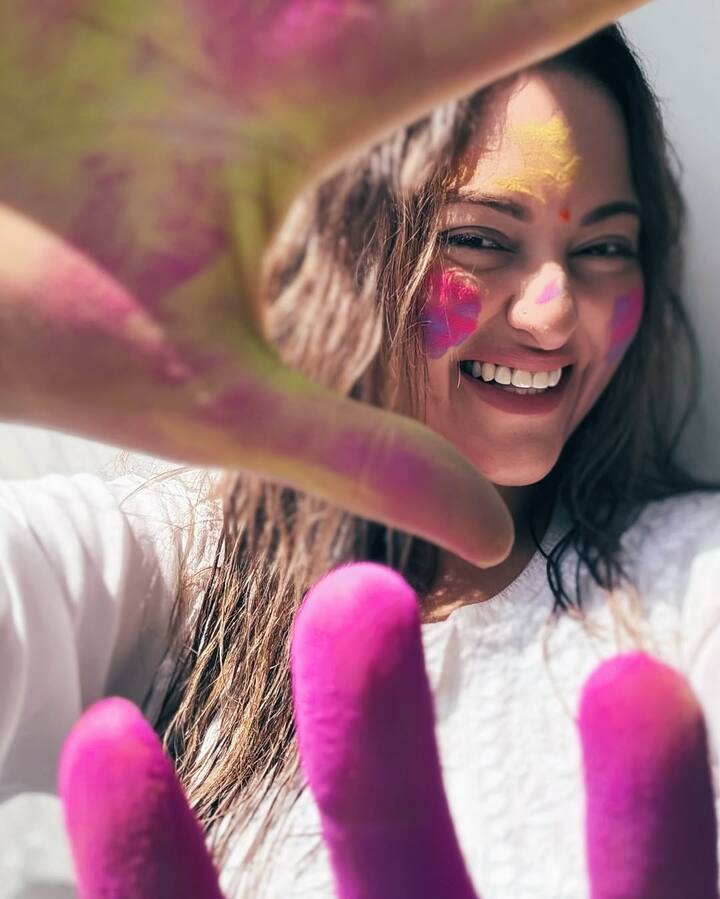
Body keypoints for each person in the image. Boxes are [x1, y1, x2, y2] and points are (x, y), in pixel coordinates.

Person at [1, 13, 720, 899]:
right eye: (482, 238)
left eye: (604, 248)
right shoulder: (189, 565)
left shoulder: (694, 581)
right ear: (358, 249)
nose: (552, 314)